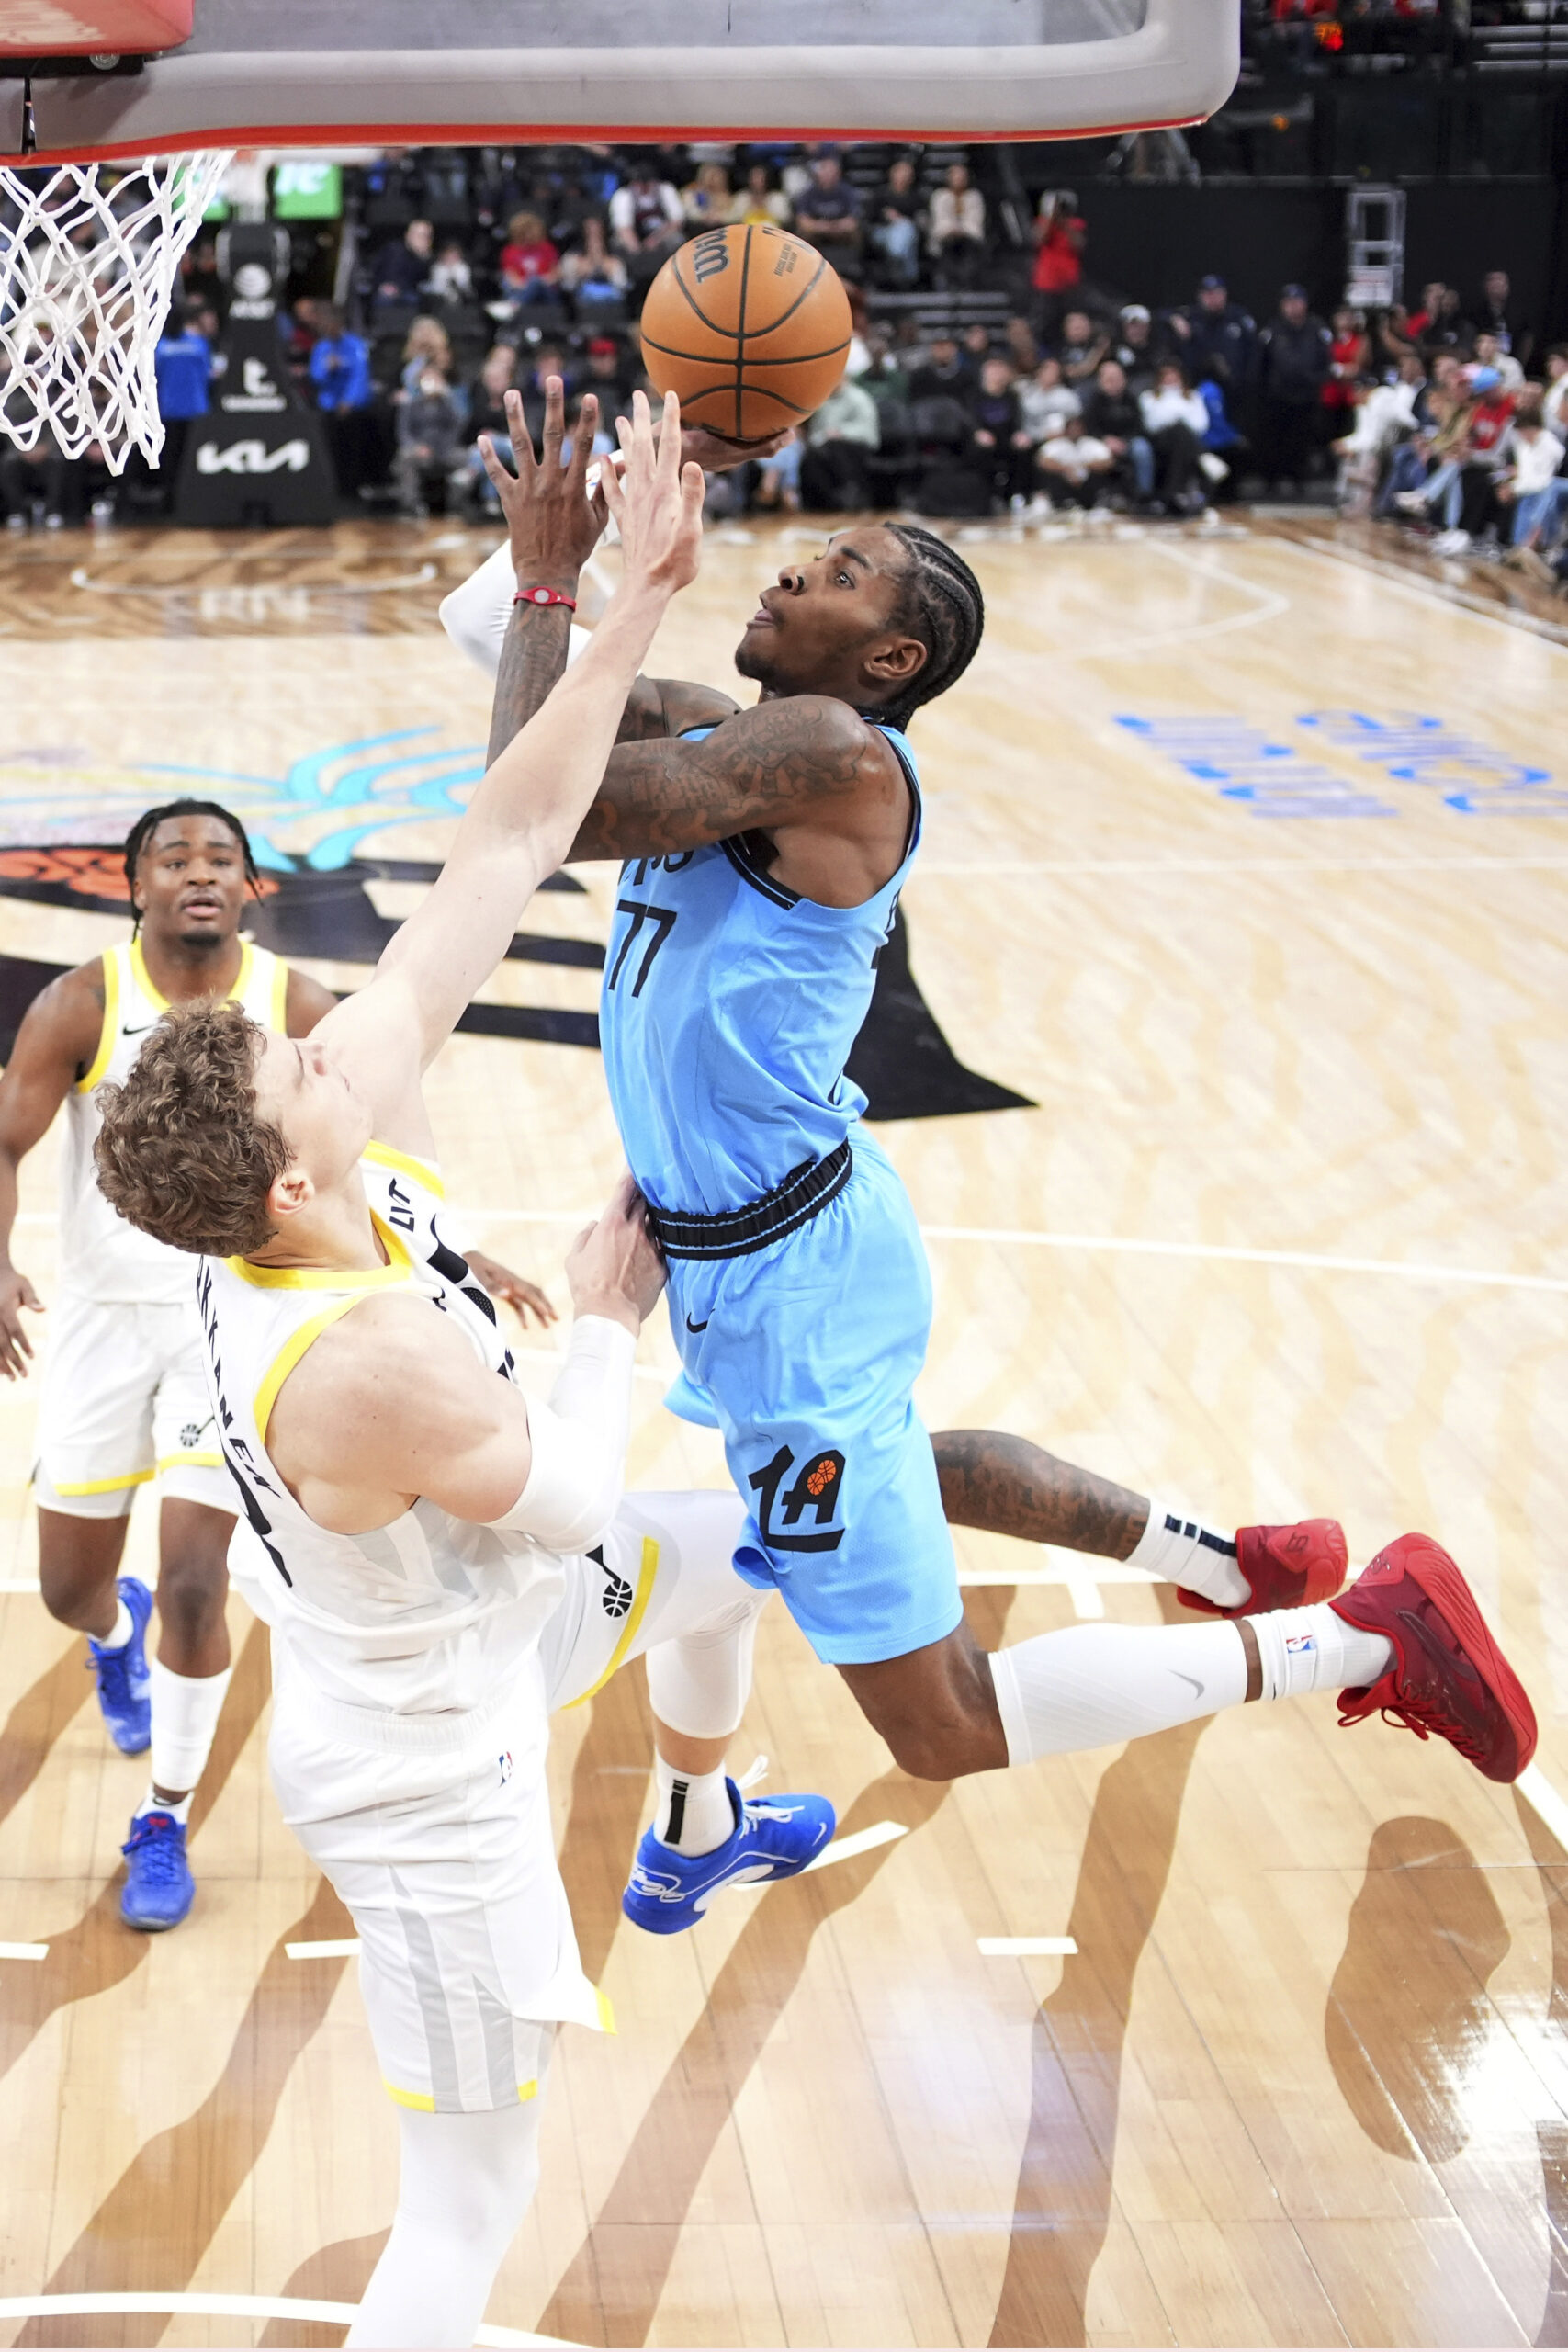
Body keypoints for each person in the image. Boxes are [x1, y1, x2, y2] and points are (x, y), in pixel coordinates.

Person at [442, 425, 1538, 1850]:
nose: (787, 569)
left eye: (835, 574)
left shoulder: (831, 753)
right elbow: (494, 644)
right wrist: (576, 526)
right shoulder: (732, 734)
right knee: (835, 1496)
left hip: (787, 1282)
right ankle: (1209, 1560)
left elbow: (536, 807)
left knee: (939, 1726)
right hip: (757, 1250)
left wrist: (556, 584)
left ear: (889, 658)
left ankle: (1371, 1637)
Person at [90, 390, 836, 2351]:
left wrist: (600, 591)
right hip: (425, 1776)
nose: (342, 1040)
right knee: (474, 2202)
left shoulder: (321, 1175)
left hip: (487, 1619)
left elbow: (510, 831)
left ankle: (691, 1816)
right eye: (307, 1064)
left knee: (738, 1553)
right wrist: (599, 1317)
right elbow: (564, 1485)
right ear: (287, 1164)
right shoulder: (364, 1362)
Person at [0, 804, 335, 1930]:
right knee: (66, 1591)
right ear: (132, 884)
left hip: (229, 1319)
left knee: (201, 1583)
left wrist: (430, 1242)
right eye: (174, 860)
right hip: (102, 1324)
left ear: (253, 887)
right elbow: (7, 1139)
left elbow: (373, 1135)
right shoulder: (86, 1000)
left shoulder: (293, 1003)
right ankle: (113, 1635)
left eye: (219, 861)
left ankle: (164, 1818)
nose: (199, 874)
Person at [1256, 284, 1331, 492]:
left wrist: (1315, 380)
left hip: (1306, 396)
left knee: (1301, 441)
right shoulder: (1272, 329)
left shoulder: (1317, 329)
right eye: (1288, 303)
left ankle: (1299, 480)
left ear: (1305, 304)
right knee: (1274, 440)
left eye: (1297, 302)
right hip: (1277, 396)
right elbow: (1261, 363)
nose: (1293, 307)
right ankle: (1271, 481)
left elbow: (1326, 361)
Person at [308, 305, 377, 500]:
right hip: (329, 407)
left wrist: (348, 401)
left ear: (339, 324)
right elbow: (315, 377)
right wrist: (327, 368)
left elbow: (360, 376)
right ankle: (332, 489)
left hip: (354, 409)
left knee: (353, 450)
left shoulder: (356, 345)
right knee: (329, 450)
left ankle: (353, 489)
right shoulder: (321, 347)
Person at [798, 374, 880, 510]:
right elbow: (816, 431)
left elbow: (869, 431)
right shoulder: (823, 401)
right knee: (811, 457)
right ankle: (826, 502)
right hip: (826, 448)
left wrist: (841, 432)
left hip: (856, 447)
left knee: (836, 447)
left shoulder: (859, 398)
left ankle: (850, 493)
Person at [1169, 274, 1257, 400]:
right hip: (1198, 384)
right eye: (1208, 294)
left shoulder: (1238, 316)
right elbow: (1160, 315)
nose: (1213, 299)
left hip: (1236, 386)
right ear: (1200, 296)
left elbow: (1253, 350)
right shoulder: (1190, 316)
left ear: (1225, 294)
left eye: (1217, 294)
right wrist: (1174, 319)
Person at [1138, 358, 1210, 511]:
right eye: (1166, 375)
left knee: (1181, 434)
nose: (1170, 378)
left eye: (1174, 375)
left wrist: (1174, 417)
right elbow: (1151, 423)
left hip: (1188, 440)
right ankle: (1185, 488)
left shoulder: (1193, 396)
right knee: (1178, 432)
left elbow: (1201, 424)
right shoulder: (1149, 397)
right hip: (1161, 440)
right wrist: (1179, 416)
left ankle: (1173, 492)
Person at [1081, 356, 1153, 503]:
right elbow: (1089, 427)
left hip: (1127, 441)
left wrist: (1124, 441)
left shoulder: (1131, 400)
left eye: (1117, 378)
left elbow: (1139, 426)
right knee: (1096, 453)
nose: (1114, 383)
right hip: (1102, 441)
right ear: (1101, 381)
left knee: (1142, 449)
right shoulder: (1094, 402)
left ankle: (1144, 494)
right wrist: (1106, 439)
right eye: (1109, 379)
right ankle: (1098, 496)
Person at [968, 353, 1034, 509]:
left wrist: (1020, 434)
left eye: (1000, 370)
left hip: (1006, 439)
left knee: (1024, 449)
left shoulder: (1011, 396)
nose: (997, 374)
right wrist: (978, 432)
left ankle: (1018, 495)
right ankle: (987, 495)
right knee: (981, 451)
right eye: (993, 370)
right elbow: (970, 421)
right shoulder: (975, 395)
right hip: (985, 440)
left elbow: (1018, 421)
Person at [792, 153, 863, 268]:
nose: (828, 174)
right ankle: (804, 266)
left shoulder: (847, 191)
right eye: (824, 170)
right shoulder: (808, 193)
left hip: (840, 231)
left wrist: (834, 227)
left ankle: (854, 266)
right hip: (817, 231)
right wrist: (823, 226)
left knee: (856, 234)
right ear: (818, 173)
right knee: (802, 234)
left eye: (831, 171)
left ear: (838, 173)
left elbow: (853, 222)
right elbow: (802, 221)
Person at [1035, 412, 1115, 510]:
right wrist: (1065, 469)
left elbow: (1108, 462)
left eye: (1077, 428)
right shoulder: (1057, 444)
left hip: (1087, 483)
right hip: (1065, 482)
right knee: (1051, 477)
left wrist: (1085, 466)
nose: (1074, 431)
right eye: (1072, 428)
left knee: (1100, 476)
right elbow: (1042, 461)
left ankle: (1098, 504)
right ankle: (1064, 503)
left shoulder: (1091, 444)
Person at [927, 161, 986, 290]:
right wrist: (951, 230)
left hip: (968, 238)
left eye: (962, 176)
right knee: (949, 244)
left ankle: (966, 284)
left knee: (968, 247)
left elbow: (976, 221)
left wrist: (962, 230)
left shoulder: (974, 196)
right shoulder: (940, 196)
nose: (959, 179)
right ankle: (948, 283)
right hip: (946, 238)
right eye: (956, 176)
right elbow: (939, 220)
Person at [867, 155, 922, 288]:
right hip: (882, 232)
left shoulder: (916, 197)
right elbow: (869, 218)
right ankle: (909, 277)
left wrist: (902, 220)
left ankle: (897, 257)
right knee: (901, 235)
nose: (903, 177)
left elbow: (921, 219)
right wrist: (887, 217)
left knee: (905, 229)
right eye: (900, 172)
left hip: (909, 233)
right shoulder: (881, 194)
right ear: (892, 173)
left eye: (907, 174)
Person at [497, 210, 559, 308]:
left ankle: (514, 307)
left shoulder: (547, 248)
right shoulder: (510, 251)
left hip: (545, 291)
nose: (528, 235)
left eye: (531, 231)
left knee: (535, 282)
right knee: (508, 286)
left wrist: (537, 283)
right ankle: (516, 304)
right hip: (521, 289)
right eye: (525, 232)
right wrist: (529, 287)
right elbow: (512, 278)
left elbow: (554, 275)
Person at [372, 218, 434, 313]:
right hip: (385, 289)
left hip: (410, 292)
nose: (422, 239)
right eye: (419, 235)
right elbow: (378, 270)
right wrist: (383, 286)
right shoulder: (394, 249)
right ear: (408, 235)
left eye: (426, 236)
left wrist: (422, 258)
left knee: (417, 300)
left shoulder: (426, 258)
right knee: (384, 299)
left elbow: (424, 281)